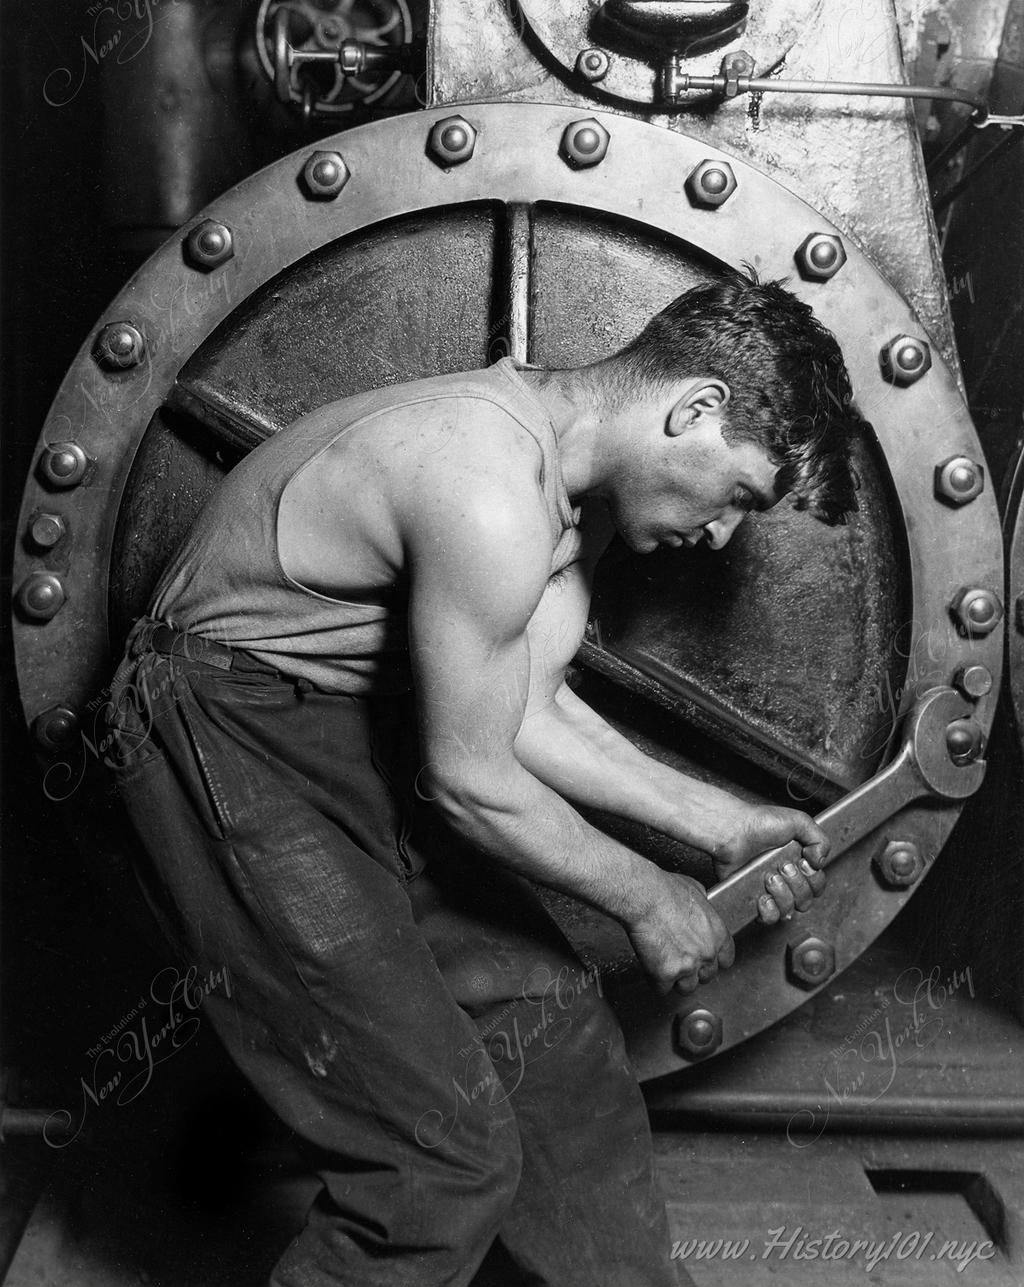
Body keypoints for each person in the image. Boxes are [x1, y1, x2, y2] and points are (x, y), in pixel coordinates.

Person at [105, 268, 864, 1287]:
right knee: (435, 1160)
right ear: (694, 409)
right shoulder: (484, 485)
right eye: (737, 495)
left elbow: (525, 713)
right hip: (220, 732)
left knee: (557, 1047)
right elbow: (468, 778)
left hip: (344, 733)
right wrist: (648, 895)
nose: (721, 534)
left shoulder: (568, 501)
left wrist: (722, 825)